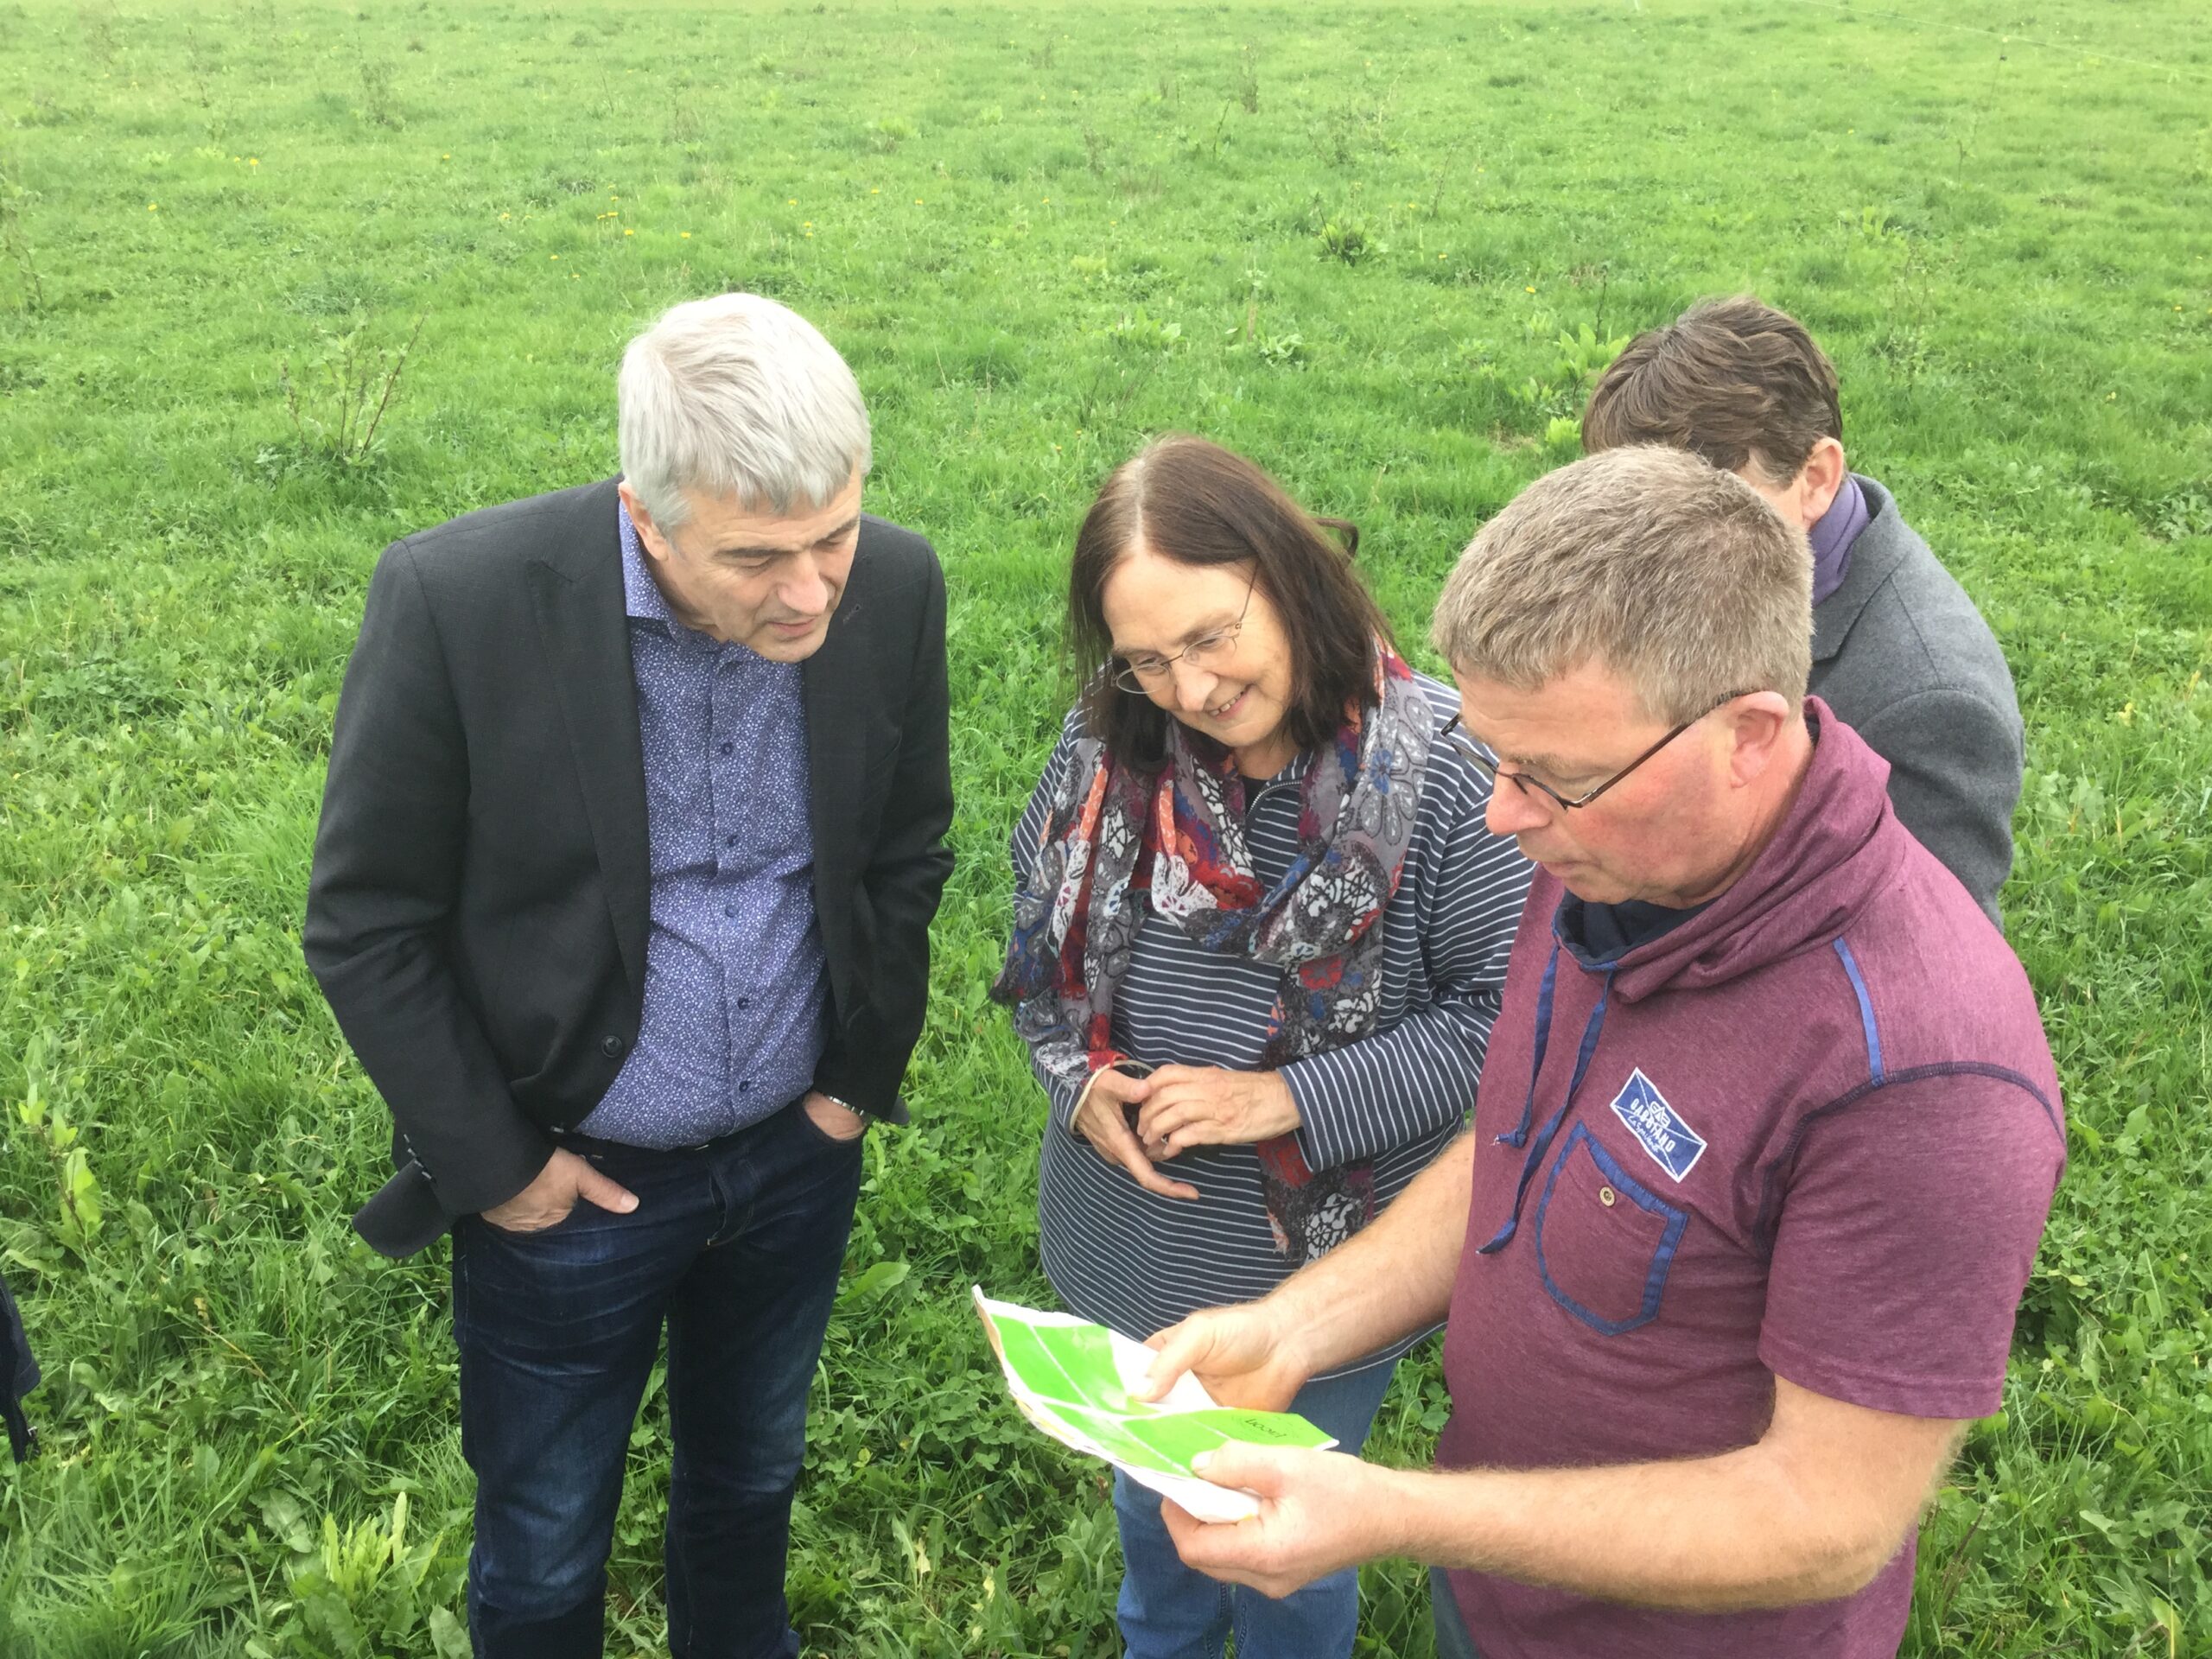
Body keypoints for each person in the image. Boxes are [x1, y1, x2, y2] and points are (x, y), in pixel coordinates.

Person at [1139, 446, 2063, 1659]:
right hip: (1500, 1587)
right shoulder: (1609, 847)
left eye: (1552, 777)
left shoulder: (1922, 1076)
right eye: (1500, 759)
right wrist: (1298, 1328)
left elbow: (1825, 1516)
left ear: (1749, 734)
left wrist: (1398, 1512)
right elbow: (1525, 1138)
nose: (1502, 817)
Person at [302, 293, 953, 1658]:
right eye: (757, 557)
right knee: (542, 1544)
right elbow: (367, 918)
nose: (812, 591)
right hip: (567, 1179)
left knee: (752, 1485)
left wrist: (850, 1084)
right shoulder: (459, 601)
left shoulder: (894, 582)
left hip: (793, 1157)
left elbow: (905, 845)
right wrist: (498, 1165)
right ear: (643, 514)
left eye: (833, 534)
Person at [992, 435, 1530, 1659]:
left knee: (1286, 1545)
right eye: (1146, 660)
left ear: (1286, 576)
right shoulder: (1107, 749)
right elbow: (1042, 958)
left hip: (1319, 1276)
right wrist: (1077, 1086)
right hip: (1130, 1245)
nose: (1190, 689)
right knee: (1157, 1518)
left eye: (1214, 634)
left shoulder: (1445, 777)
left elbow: (1504, 1024)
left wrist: (1284, 1099)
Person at [1582, 295, 2024, 926]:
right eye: (1627, 505)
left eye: (1703, 508)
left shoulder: (1932, 703)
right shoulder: (1713, 560)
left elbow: (1930, 955)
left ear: (1816, 477)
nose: (1645, 553)